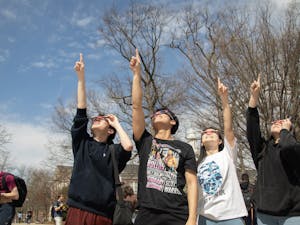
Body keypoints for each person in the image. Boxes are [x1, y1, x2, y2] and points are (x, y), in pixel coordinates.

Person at [130, 49, 198, 225]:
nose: (157, 114)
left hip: (177, 214)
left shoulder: (185, 148)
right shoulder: (145, 142)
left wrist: (192, 218)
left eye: (163, 113)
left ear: (173, 122)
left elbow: (191, 184)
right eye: (155, 113)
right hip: (147, 212)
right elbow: (137, 107)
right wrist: (137, 75)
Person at [64, 53, 133, 225]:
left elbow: (128, 146)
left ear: (110, 131)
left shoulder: (113, 151)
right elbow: (81, 112)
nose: (97, 118)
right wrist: (81, 78)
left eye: (102, 119)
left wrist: (116, 123)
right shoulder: (82, 143)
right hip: (77, 210)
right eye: (96, 118)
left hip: (103, 215)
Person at [247, 74, 300, 225]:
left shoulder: (293, 147)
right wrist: (254, 97)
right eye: (274, 122)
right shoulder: (263, 150)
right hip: (265, 214)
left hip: (293, 214)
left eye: (281, 121)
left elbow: (289, 148)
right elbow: (252, 129)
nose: (277, 122)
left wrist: (285, 131)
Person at [197, 78, 247, 225]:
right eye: (205, 132)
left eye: (213, 132)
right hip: (205, 217)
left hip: (231, 216)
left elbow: (228, 128)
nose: (208, 132)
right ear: (201, 142)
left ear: (220, 141)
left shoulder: (227, 154)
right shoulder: (197, 164)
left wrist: (224, 100)